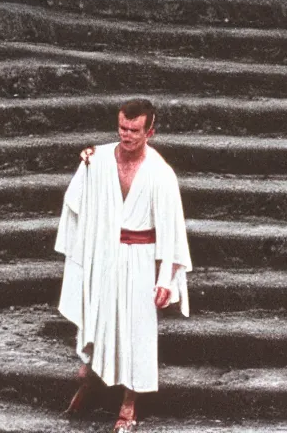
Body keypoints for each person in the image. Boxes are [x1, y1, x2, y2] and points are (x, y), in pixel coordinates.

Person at [54, 99, 192, 432]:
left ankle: (129, 404)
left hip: (140, 257)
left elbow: (172, 231)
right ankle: (92, 381)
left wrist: (165, 280)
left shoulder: (161, 173)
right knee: (98, 318)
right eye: (122, 128)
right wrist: (86, 170)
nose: (126, 135)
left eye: (134, 130)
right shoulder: (97, 160)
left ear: (150, 132)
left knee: (137, 331)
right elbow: (75, 202)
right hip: (103, 253)